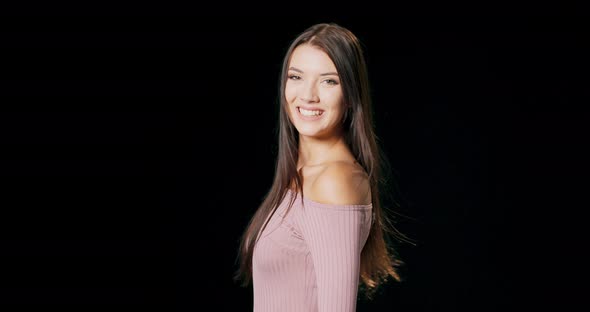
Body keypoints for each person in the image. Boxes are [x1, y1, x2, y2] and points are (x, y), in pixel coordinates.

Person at [235, 22, 410, 311]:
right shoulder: (301, 175)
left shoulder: (335, 179)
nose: (307, 95)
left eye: (329, 81)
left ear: (351, 95)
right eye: (296, 77)